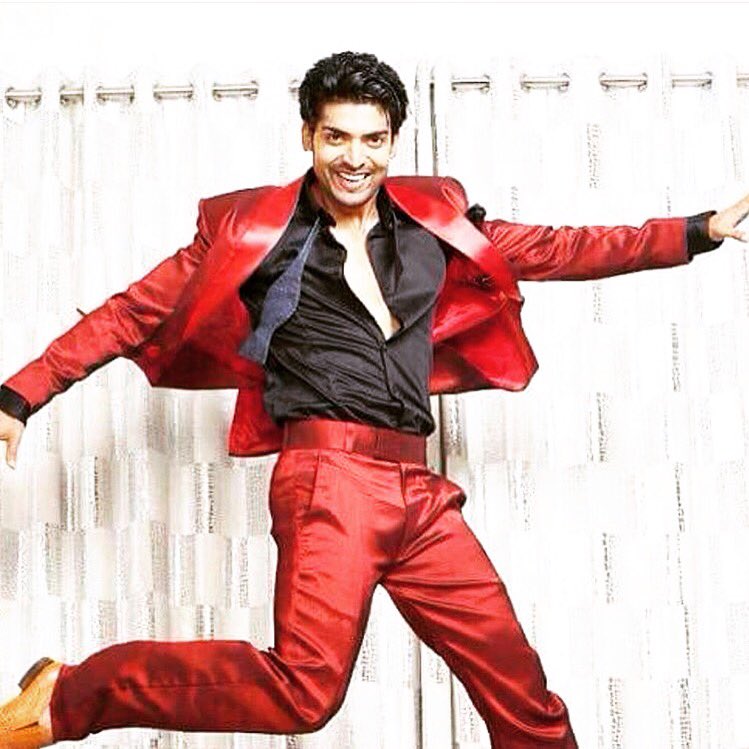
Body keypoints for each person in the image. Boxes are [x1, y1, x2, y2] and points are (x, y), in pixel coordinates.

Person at [0, 50, 746, 749]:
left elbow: (561, 247)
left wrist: (696, 231)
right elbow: (131, 313)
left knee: (520, 690)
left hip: (418, 490)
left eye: (372, 139)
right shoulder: (255, 233)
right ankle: (74, 693)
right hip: (328, 481)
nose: (354, 157)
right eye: (336, 137)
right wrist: (20, 394)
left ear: (392, 142)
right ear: (308, 135)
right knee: (304, 693)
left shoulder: (431, 227)